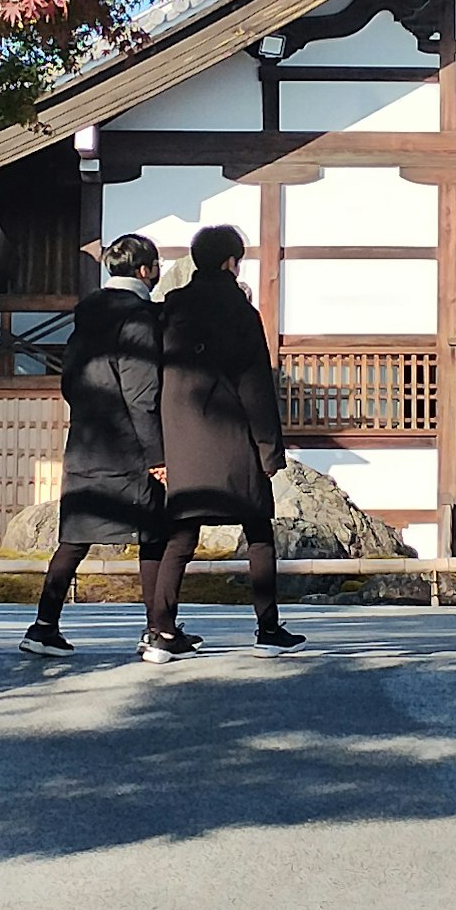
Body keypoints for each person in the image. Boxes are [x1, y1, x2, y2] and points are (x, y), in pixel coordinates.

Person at [143, 221, 300, 661]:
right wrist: (269, 450)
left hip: (181, 443)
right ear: (232, 262)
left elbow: (150, 382)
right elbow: (255, 386)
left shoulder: (169, 309)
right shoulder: (240, 312)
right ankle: (268, 629)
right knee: (258, 533)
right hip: (233, 442)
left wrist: (156, 449)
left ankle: (160, 632)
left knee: (180, 537)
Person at [21, 234, 165, 659]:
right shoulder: (139, 318)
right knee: (153, 533)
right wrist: (157, 455)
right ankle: (158, 629)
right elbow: (142, 393)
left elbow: (69, 382)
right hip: (130, 447)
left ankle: (44, 624)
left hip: (86, 441)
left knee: (75, 537)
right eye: (155, 267)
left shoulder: (87, 315)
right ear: (145, 270)